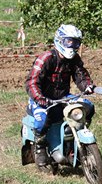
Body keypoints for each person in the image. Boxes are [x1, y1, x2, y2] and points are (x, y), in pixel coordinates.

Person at [25, 24, 96, 167]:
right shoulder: (46, 58)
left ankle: (77, 133)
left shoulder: (74, 59)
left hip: (64, 96)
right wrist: (40, 98)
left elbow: (80, 75)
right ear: (59, 40)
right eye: (69, 41)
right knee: (42, 120)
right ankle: (40, 148)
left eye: (76, 42)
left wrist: (87, 86)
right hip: (41, 98)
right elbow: (32, 82)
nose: (72, 45)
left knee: (88, 106)